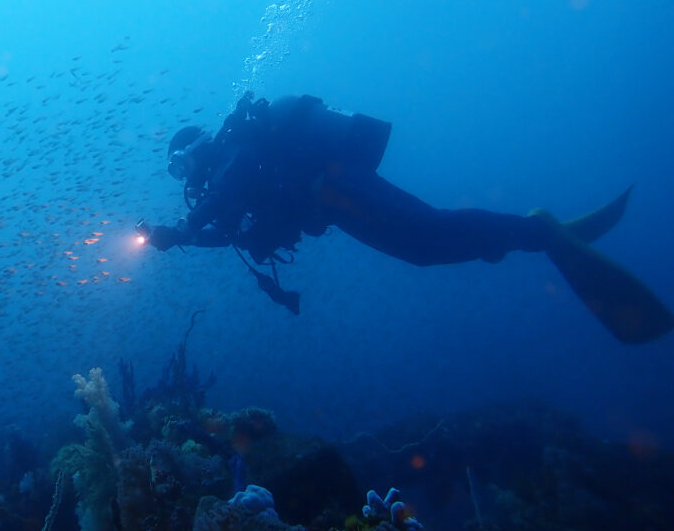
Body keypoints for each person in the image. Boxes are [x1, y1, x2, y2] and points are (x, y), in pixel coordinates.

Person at [139, 92, 673, 344]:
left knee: (432, 230)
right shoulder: (228, 175)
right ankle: (527, 233)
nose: (183, 177)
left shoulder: (234, 152)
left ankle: (537, 232)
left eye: (180, 163)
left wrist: (183, 229)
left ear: (200, 149)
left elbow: (228, 192)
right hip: (334, 203)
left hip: (337, 185)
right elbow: (228, 229)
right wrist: (183, 239)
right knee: (422, 249)